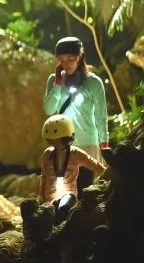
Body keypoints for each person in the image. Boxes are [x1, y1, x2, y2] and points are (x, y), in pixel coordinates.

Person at [43, 37, 108, 198]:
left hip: (87, 144)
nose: (66, 63)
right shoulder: (54, 80)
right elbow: (49, 109)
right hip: (63, 146)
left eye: (71, 58)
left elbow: (101, 116)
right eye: (62, 59)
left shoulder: (93, 82)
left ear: (80, 57)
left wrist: (104, 145)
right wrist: (58, 83)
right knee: (63, 194)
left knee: (85, 193)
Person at [38, 114, 105, 225]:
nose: (54, 143)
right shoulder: (48, 154)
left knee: (64, 209)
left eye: (57, 140)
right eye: (51, 140)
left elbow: (94, 164)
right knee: (47, 218)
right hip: (50, 197)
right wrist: (40, 195)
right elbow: (44, 175)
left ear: (66, 138)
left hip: (68, 193)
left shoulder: (75, 153)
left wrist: (110, 172)